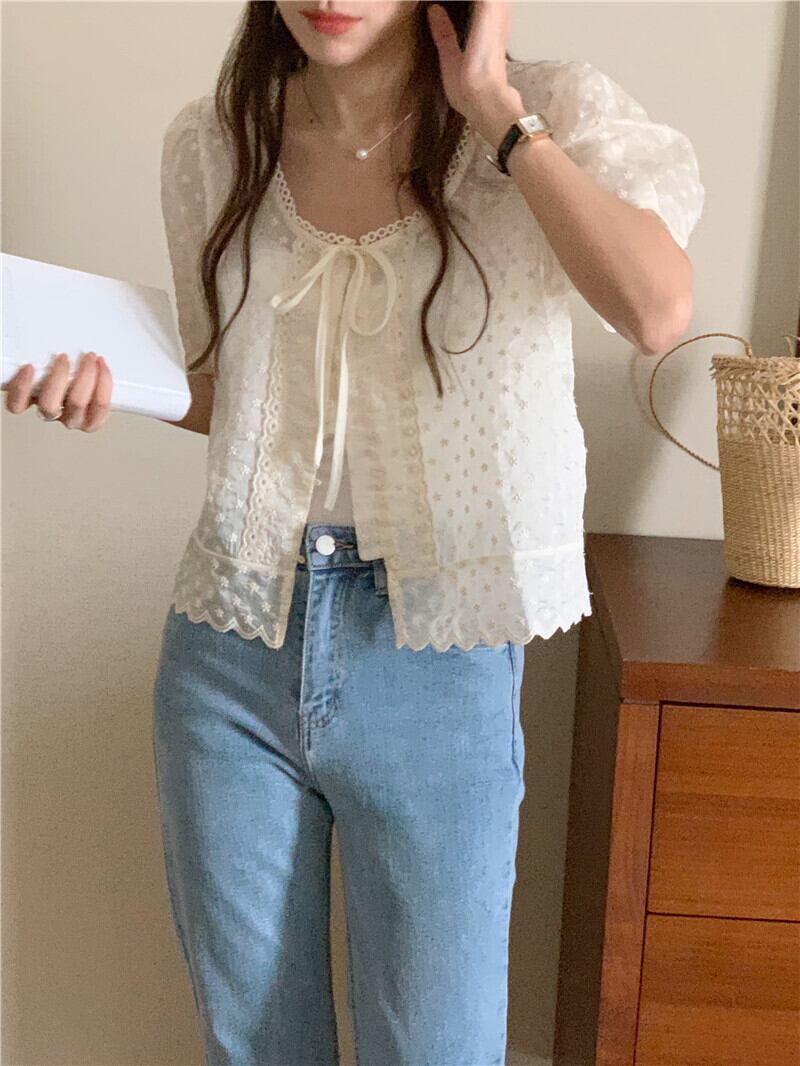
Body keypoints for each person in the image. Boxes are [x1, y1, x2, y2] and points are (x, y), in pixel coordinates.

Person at [5, 1, 704, 1062]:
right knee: (255, 1045)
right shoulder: (217, 141)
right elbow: (234, 391)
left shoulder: (547, 111)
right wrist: (113, 383)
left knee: (436, 1047)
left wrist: (494, 112)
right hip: (232, 641)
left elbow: (655, 310)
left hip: (437, 653)